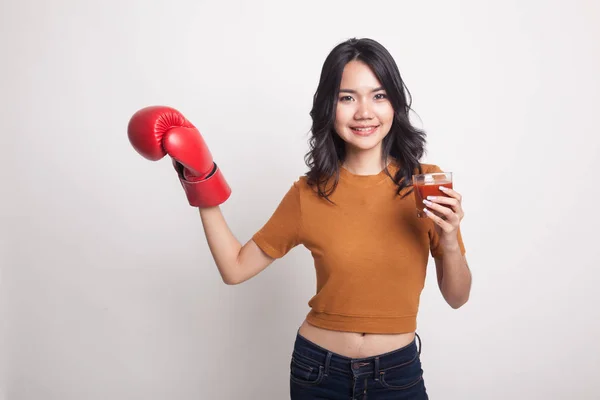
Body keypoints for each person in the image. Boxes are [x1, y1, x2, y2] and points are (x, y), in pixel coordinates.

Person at [127, 37, 471, 400]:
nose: (364, 112)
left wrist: (449, 238)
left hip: (397, 374)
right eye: (347, 97)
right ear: (329, 106)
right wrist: (201, 179)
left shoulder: (424, 183)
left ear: (395, 105)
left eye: (379, 95)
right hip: (318, 372)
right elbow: (235, 268)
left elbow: (457, 297)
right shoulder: (310, 193)